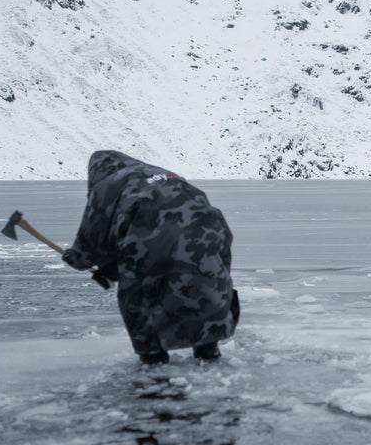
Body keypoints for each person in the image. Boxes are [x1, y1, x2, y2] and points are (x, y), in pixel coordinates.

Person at [61, 150, 239, 365]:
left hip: (153, 254)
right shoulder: (170, 177)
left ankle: (154, 363)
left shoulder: (107, 186)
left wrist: (77, 258)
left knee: (142, 297)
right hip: (210, 243)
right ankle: (208, 352)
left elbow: (92, 244)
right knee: (206, 286)